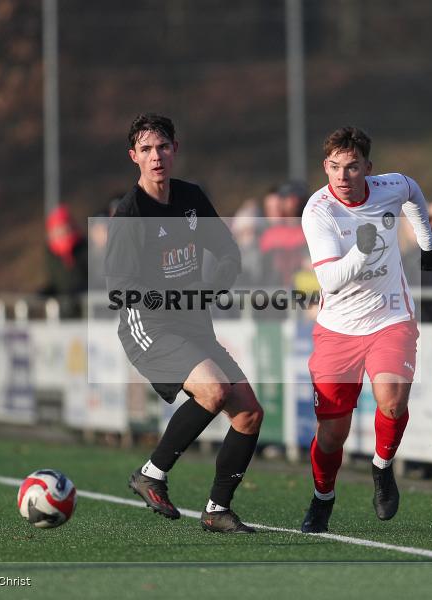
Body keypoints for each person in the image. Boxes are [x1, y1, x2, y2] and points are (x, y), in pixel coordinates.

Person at [104, 113, 263, 533]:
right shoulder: (130, 214)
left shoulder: (192, 197)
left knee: (248, 414)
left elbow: (228, 251)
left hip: (192, 324)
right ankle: (151, 474)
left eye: (163, 147)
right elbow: (120, 288)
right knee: (214, 390)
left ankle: (217, 510)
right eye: (147, 149)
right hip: (148, 326)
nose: (156, 156)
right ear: (134, 157)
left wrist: (213, 284)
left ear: (175, 150)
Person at [298, 126, 432, 533]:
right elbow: (329, 281)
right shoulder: (318, 210)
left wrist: (428, 243)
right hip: (338, 328)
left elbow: (412, 190)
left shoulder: (389, 186)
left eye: (351, 167)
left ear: (367, 168)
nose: (342, 176)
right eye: (334, 167)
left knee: (392, 402)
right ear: (325, 166)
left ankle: (382, 468)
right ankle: (323, 498)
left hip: (389, 316)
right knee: (332, 435)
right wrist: (364, 248)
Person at [42, 203, 88, 318]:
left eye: (63, 228)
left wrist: (77, 292)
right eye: (56, 230)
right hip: (63, 313)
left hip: (86, 312)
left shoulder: (83, 248)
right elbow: (56, 283)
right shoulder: (52, 254)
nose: (60, 233)